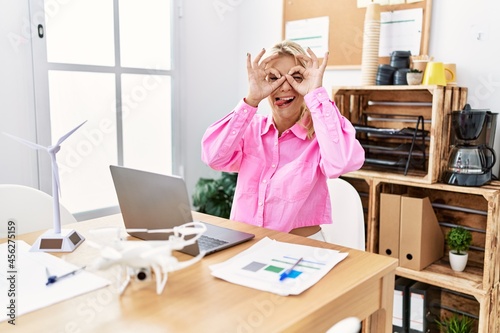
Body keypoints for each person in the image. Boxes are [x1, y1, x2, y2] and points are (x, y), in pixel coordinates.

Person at [201, 40, 364, 240]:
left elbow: (343, 162)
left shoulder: (319, 137)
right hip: (245, 244)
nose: (285, 87)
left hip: (300, 248)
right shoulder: (250, 129)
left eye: (296, 77)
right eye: (274, 78)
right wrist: (251, 100)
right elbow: (213, 158)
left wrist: (315, 94)